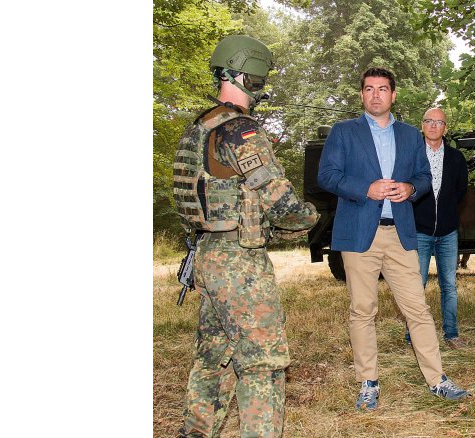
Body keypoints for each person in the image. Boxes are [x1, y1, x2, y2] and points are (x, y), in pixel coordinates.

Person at [172, 35, 320, 437]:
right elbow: (283, 207)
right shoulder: (240, 130)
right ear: (250, 72)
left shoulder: (200, 127)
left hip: (207, 256)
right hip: (239, 263)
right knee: (263, 364)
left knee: (213, 359)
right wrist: (316, 216)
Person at [317, 67, 469, 410]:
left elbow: (424, 176)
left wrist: (411, 188)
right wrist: (365, 189)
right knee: (362, 310)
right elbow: (326, 176)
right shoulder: (343, 132)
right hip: (359, 234)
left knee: (418, 308)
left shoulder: (410, 135)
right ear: (362, 94)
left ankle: (437, 379)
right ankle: (368, 382)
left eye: (382, 89)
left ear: (393, 95)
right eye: (369, 89)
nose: (376, 95)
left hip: (401, 233)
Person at [405, 107, 469, 349]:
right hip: (419, 231)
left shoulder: (456, 158)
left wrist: (446, 213)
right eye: (429, 121)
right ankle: (412, 336)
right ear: (422, 126)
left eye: (439, 122)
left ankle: (451, 334)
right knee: (416, 285)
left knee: (449, 286)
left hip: (448, 232)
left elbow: (460, 191)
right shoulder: (411, 156)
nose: (433, 125)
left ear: (445, 128)